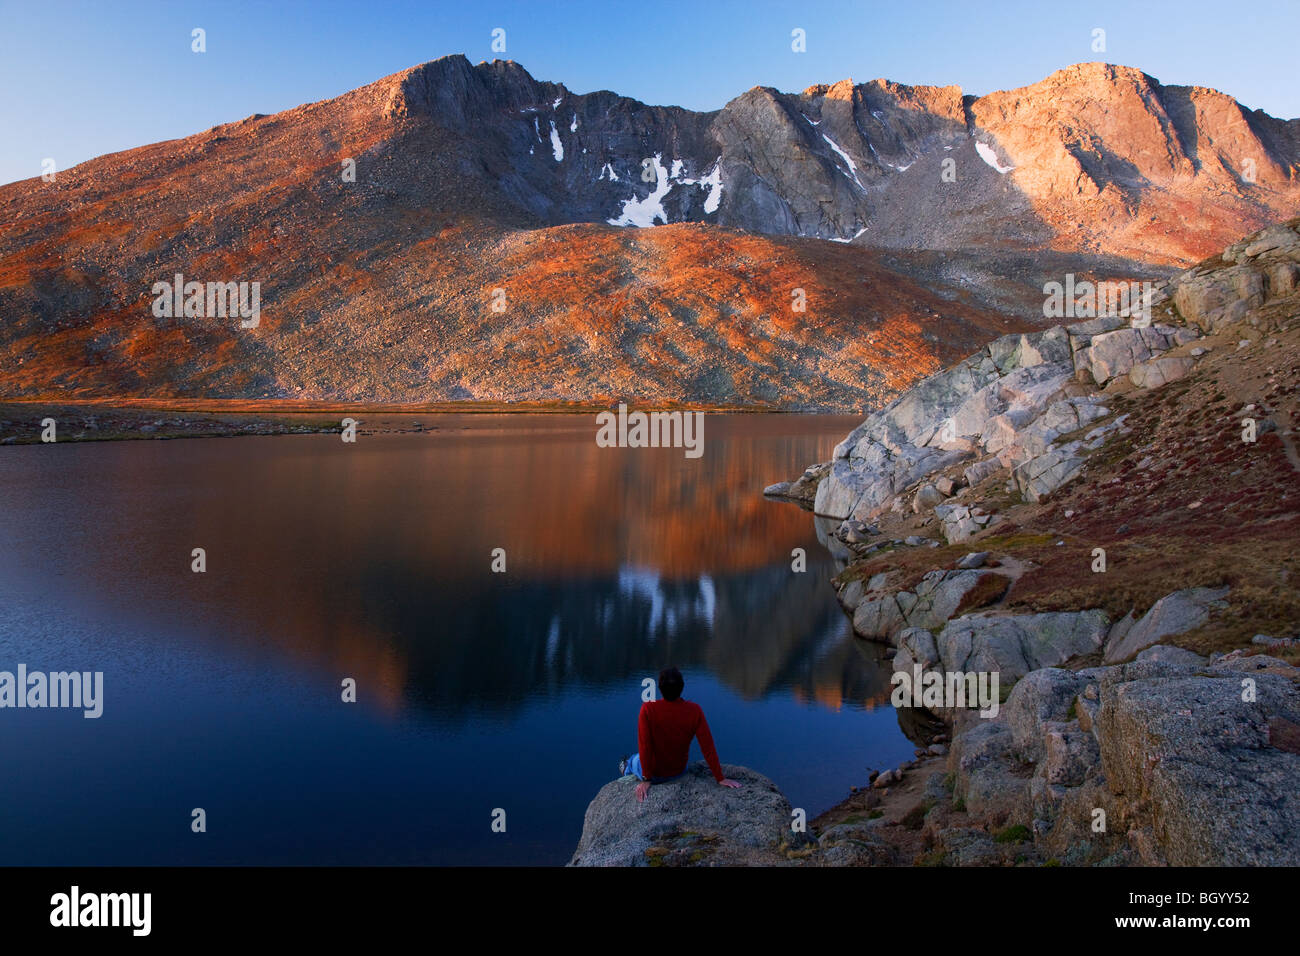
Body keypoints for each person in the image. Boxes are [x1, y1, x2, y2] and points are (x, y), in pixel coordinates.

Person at [619, 666, 741, 802]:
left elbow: (645, 745)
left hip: (654, 774)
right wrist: (720, 778)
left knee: (634, 760)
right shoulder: (695, 711)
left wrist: (647, 779)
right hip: (678, 771)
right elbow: (708, 747)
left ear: (660, 688)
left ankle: (626, 766)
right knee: (641, 756)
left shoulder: (648, 709)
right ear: (682, 687)